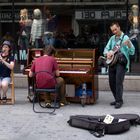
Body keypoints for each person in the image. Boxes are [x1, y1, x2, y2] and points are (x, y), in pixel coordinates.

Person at [103, 22, 135, 109]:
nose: (114, 32)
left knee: (118, 82)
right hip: (112, 62)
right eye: (112, 30)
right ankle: (117, 98)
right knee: (111, 82)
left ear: (119, 27)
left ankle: (119, 101)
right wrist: (108, 53)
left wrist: (129, 45)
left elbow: (132, 52)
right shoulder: (112, 38)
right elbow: (106, 49)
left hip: (121, 63)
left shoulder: (126, 38)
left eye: (115, 29)